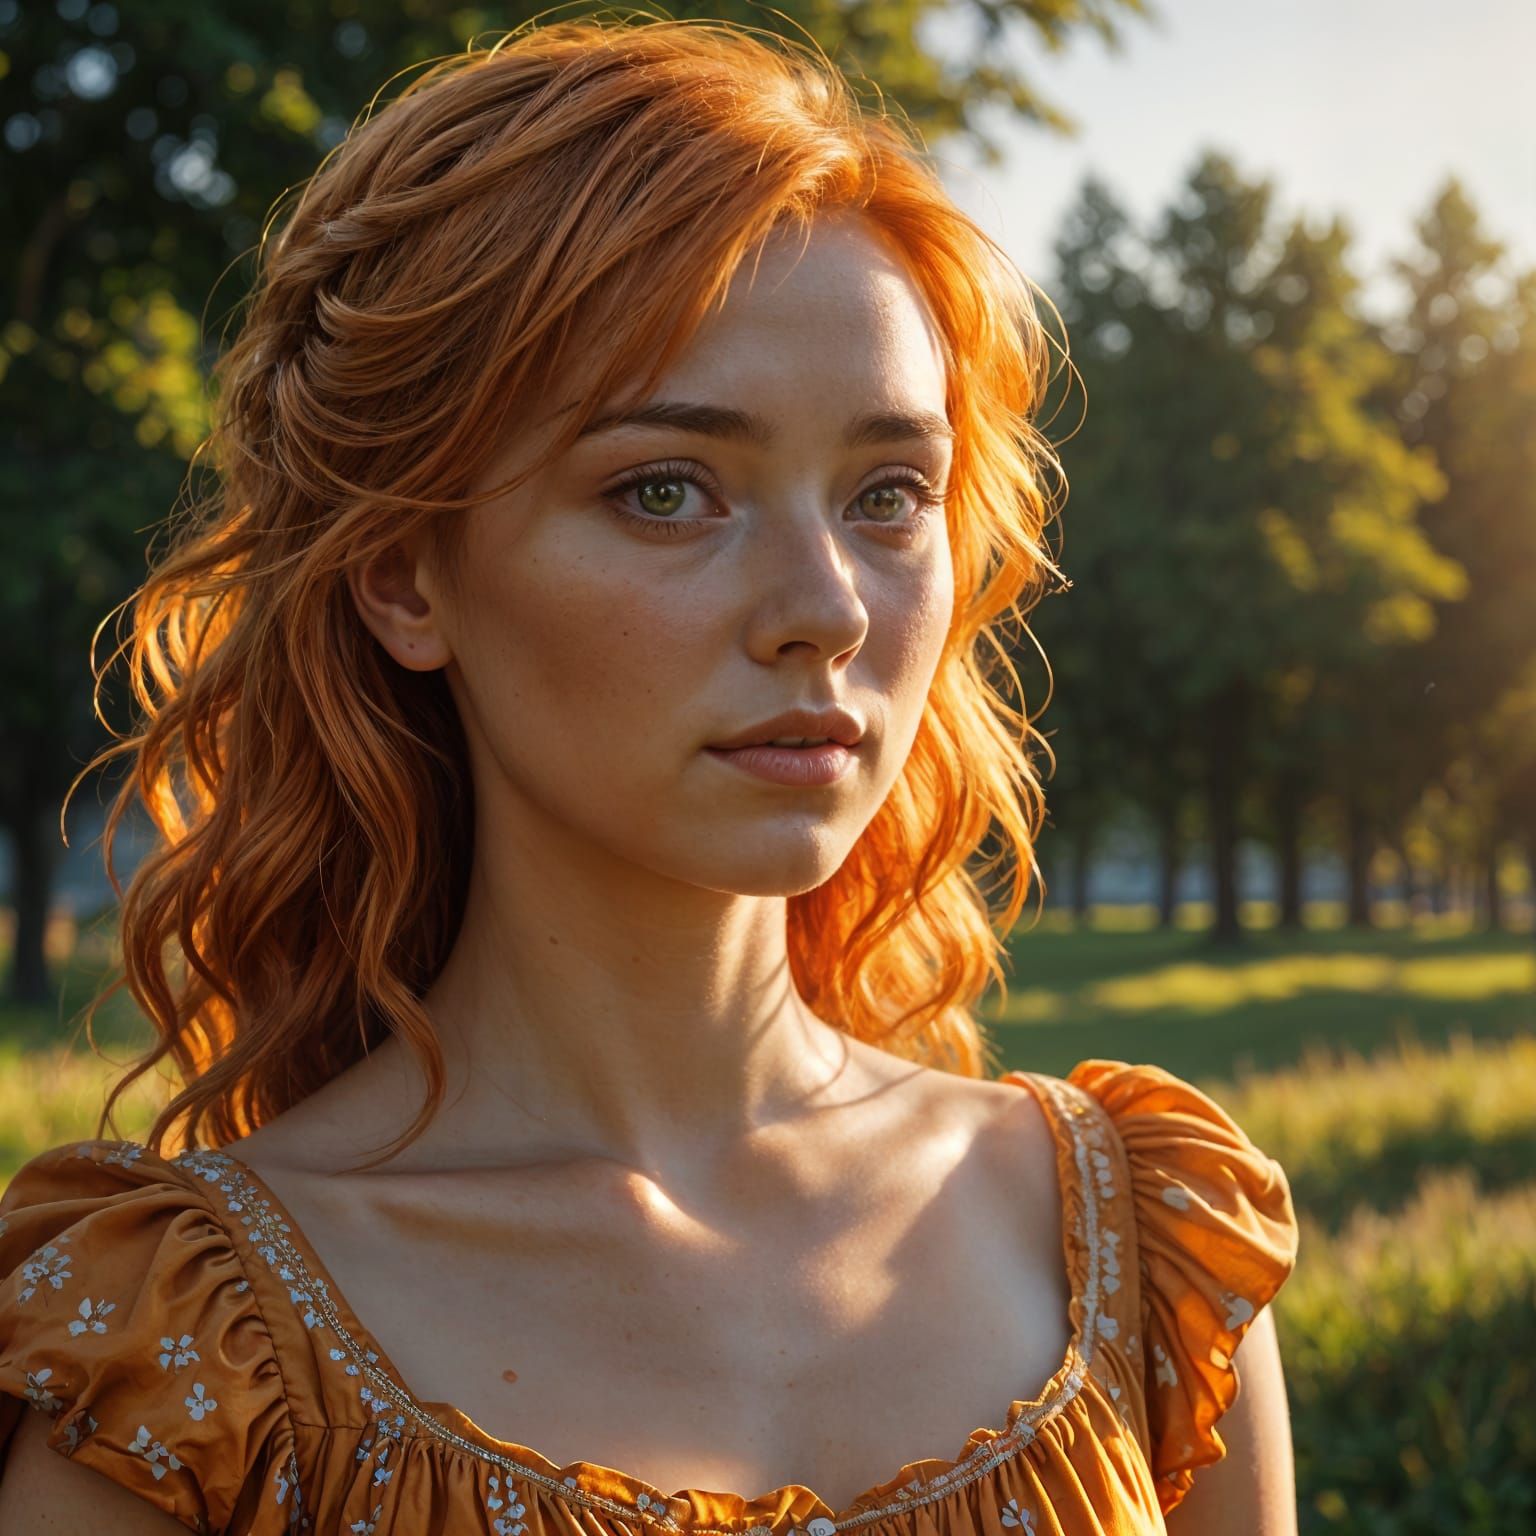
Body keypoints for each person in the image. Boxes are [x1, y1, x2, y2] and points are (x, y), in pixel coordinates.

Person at [0, 15, 1299, 1536]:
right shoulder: (186, 1363)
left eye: (890, 493)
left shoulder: (1132, 1250)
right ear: (406, 578)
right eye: (666, 490)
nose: (825, 604)